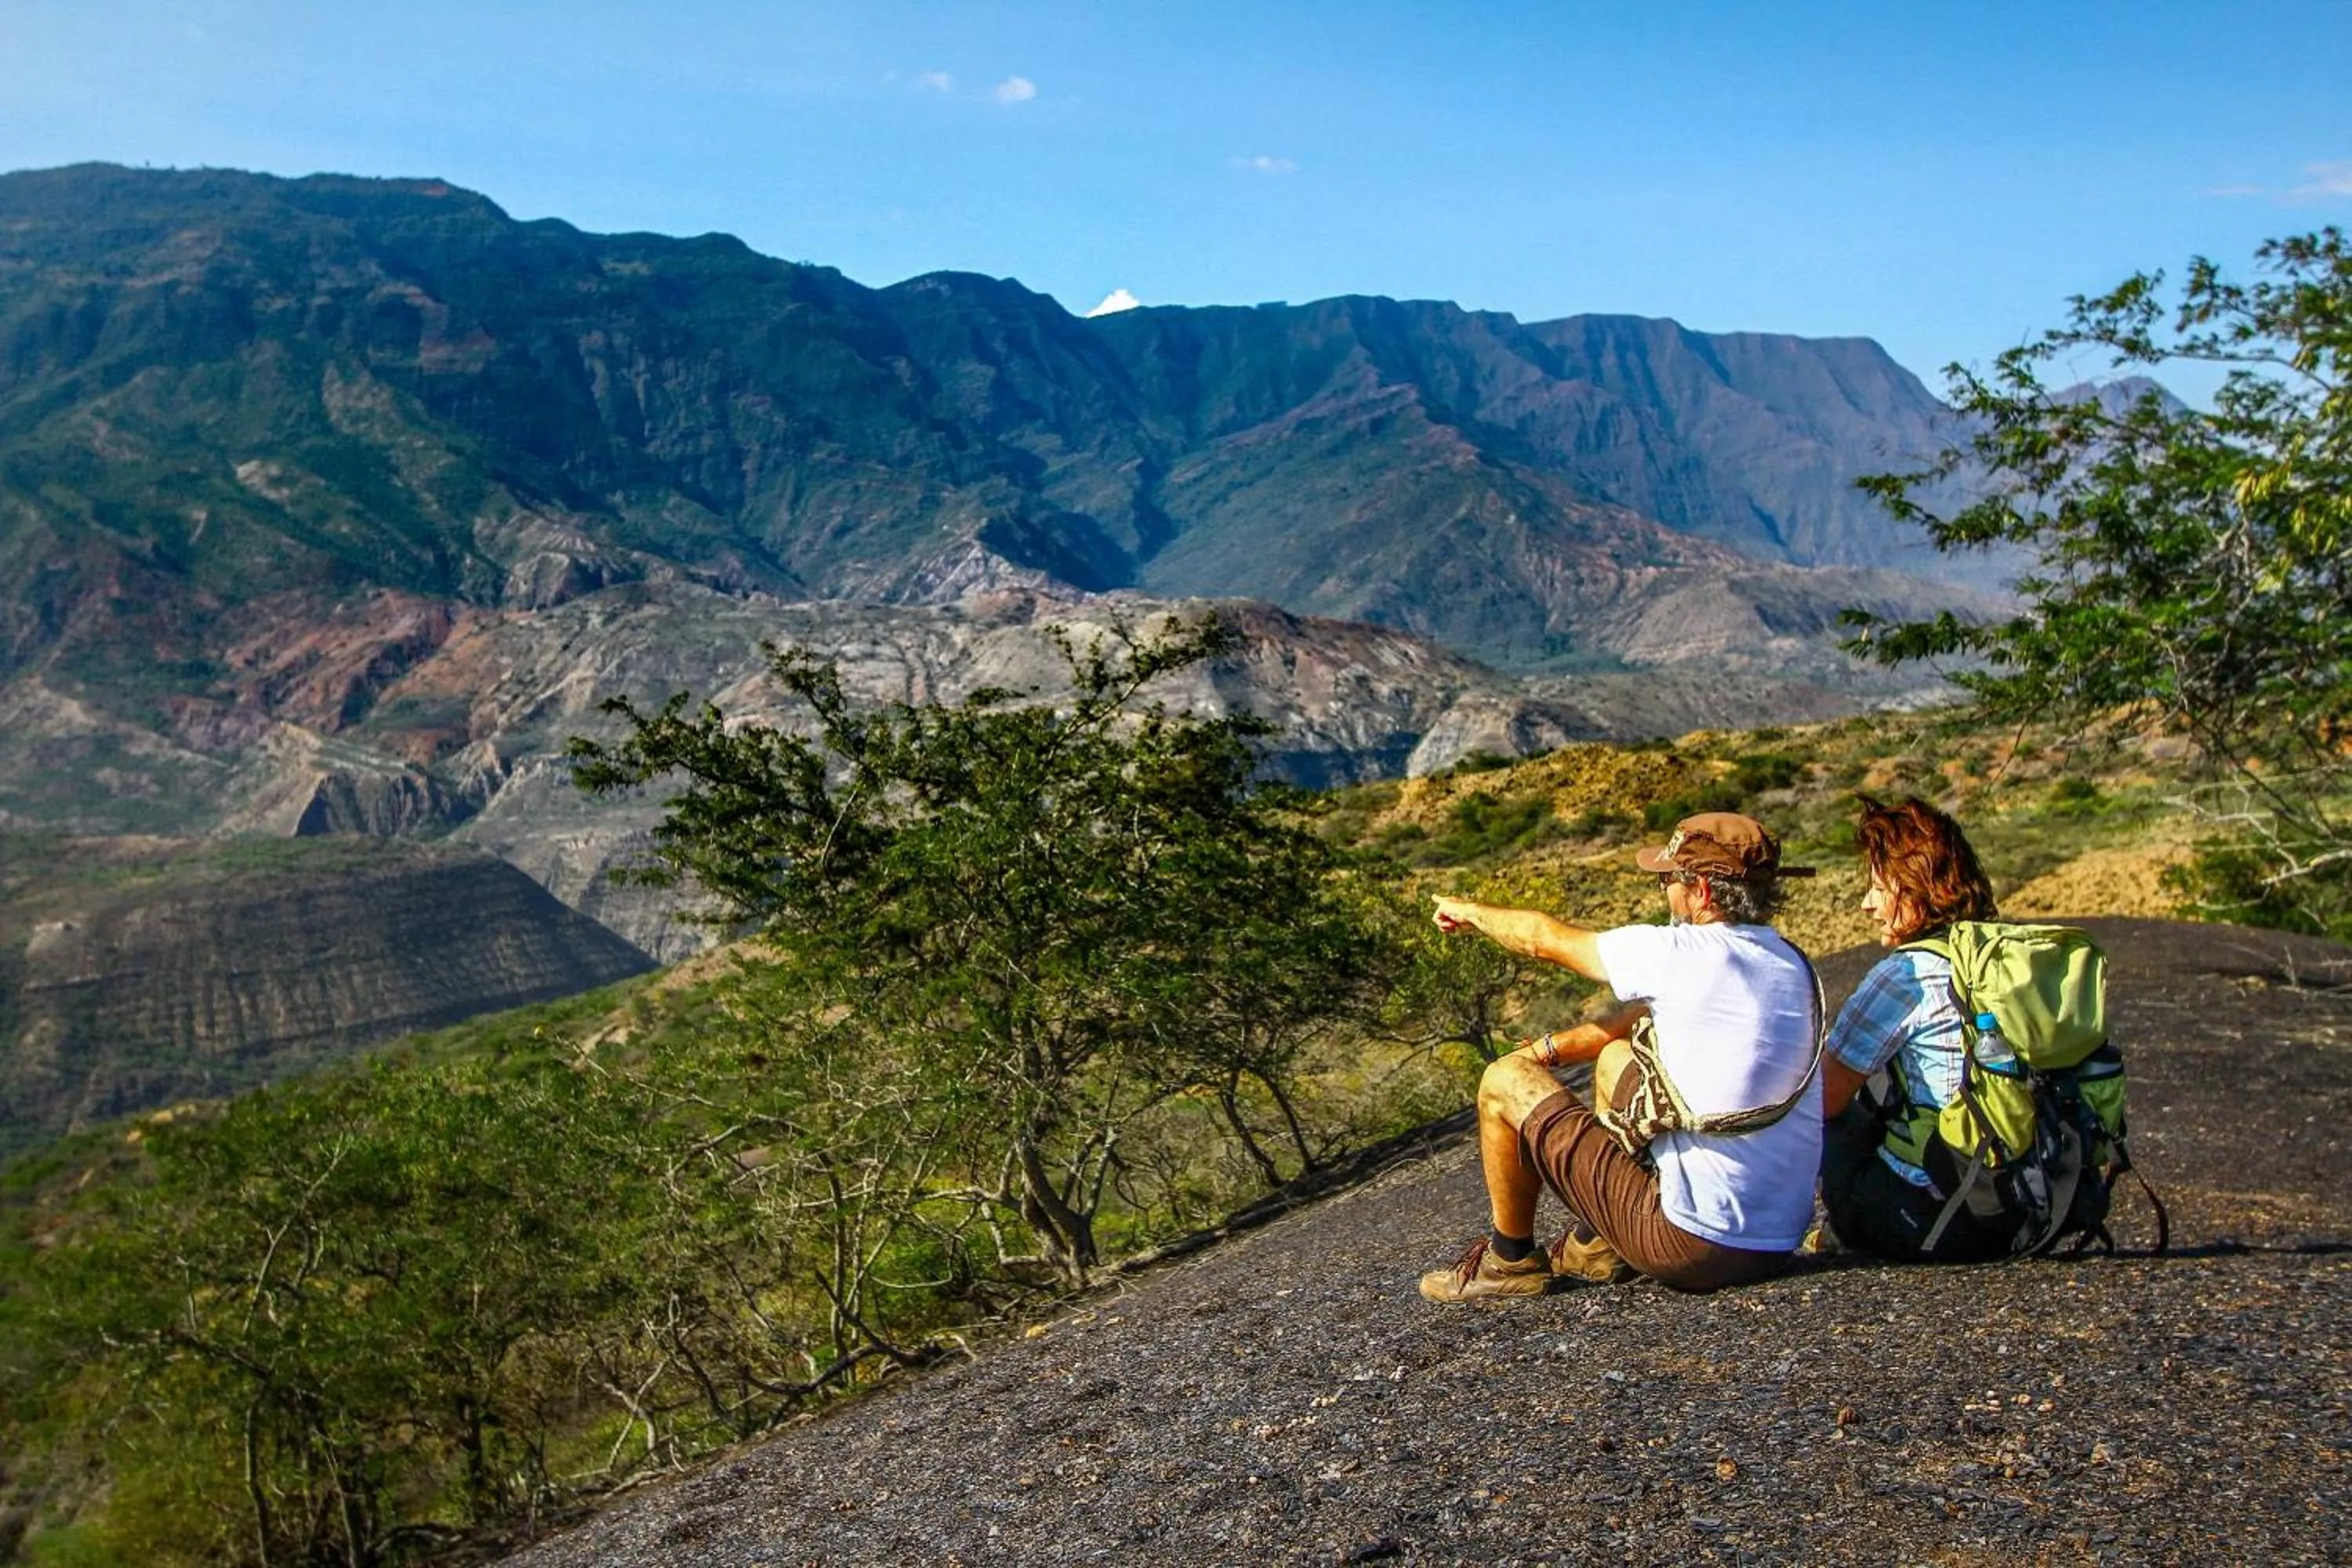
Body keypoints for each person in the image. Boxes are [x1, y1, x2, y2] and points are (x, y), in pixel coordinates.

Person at [1418, 811, 1824, 1301]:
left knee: (1504, 1080)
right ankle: (1596, 1246)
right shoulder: (1790, 962)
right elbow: (1636, 1017)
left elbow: (1543, 941)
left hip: (1694, 1246)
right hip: (1776, 1240)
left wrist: (1469, 911)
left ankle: (1510, 1261)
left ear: (1702, 891)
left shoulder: (1679, 952)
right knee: (1614, 1060)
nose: (1664, 893)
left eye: (1669, 881)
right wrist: (1553, 1048)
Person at [1815, 795, 2009, 1261]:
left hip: (1937, 1214)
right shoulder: (1998, 958)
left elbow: (1824, 1098)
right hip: (2017, 1203)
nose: (1867, 904)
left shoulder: (1906, 975)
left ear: (1913, 888)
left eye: (1879, 887)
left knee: (1830, 1114)